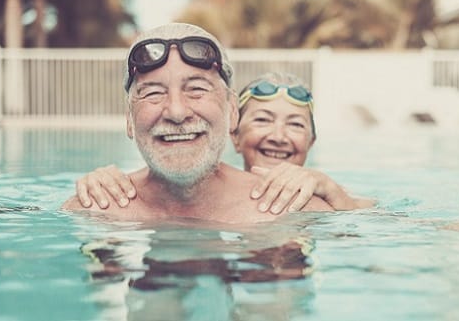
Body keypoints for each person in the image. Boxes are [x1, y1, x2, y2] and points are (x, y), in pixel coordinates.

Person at [62, 23, 333, 223]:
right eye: (154, 92)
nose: (177, 112)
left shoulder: (296, 210)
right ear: (129, 120)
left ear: (232, 112)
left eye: (197, 89)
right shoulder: (93, 211)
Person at [73, 72, 374, 213]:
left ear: (312, 141)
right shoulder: (212, 189)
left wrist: (336, 197)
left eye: (295, 125)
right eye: (262, 120)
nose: (278, 136)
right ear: (234, 134)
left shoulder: (326, 199)